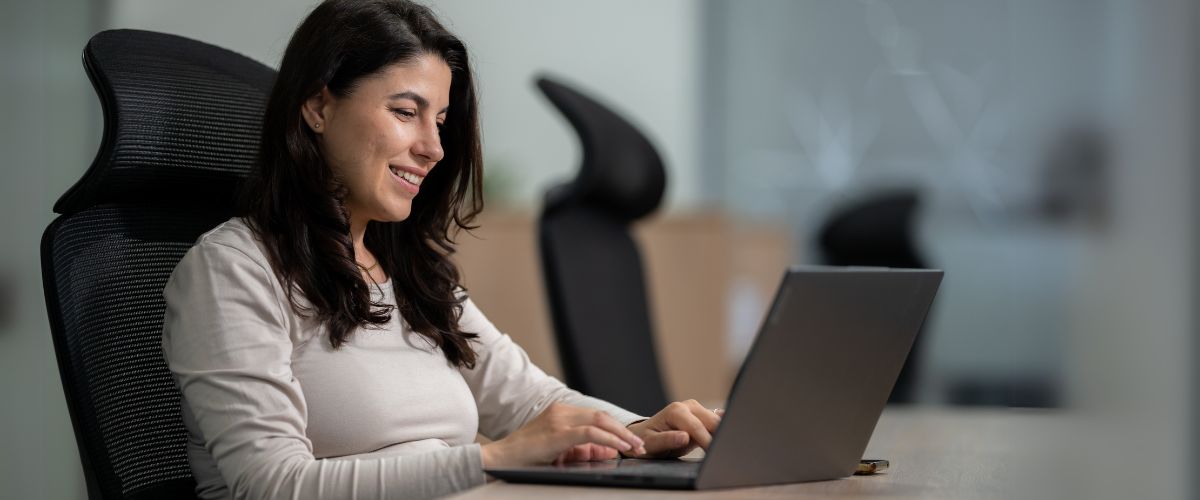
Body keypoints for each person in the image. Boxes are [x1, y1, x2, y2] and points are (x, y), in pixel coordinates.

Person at [161, 1, 722, 498]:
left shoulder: (411, 274)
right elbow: (273, 485)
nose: (432, 147)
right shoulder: (233, 269)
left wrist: (645, 431)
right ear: (318, 107)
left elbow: (529, 400)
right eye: (406, 113)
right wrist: (495, 458)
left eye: (442, 121)